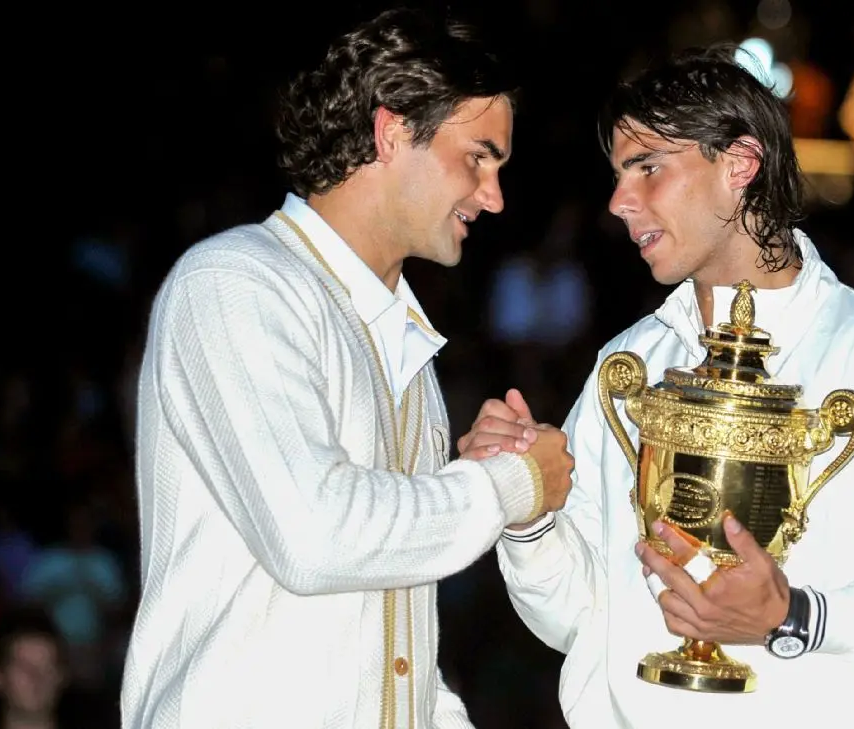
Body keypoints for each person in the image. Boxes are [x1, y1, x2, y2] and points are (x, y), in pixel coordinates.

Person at [470, 45, 854, 727]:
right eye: (618, 175)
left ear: (739, 165)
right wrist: (529, 514)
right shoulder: (631, 363)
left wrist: (794, 615)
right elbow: (579, 619)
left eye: (648, 168)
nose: (620, 201)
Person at [119, 8, 574, 728]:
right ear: (392, 132)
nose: (494, 196)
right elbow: (314, 536)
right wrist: (508, 485)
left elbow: (393, 652)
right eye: (479, 157)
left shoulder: (403, 342)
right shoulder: (236, 284)